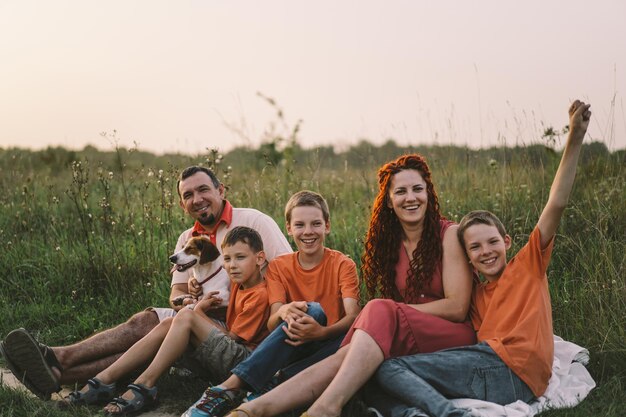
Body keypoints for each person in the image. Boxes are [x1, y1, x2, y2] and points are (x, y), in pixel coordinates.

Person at [372, 100, 592, 417]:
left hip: (509, 368)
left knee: (389, 371)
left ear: (507, 242)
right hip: (486, 373)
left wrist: (575, 136)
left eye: (492, 242)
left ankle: (449, 414)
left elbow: (556, 203)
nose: (485, 251)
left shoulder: (528, 266)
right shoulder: (474, 296)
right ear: (468, 258)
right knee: (375, 378)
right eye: (475, 248)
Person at [216, 153, 476, 417]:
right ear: (389, 200)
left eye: (418, 189)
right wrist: (392, 313)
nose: (411, 197)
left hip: (452, 332)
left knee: (375, 312)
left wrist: (394, 311)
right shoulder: (390, 245)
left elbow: (457, 307)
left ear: (428, 193)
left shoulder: (449, 234)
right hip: (408, 331)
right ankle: (253, 410)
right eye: (401, 191)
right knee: (349, 353)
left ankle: (324, 407)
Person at [0, 166, 292, 400]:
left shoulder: (253, 221)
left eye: (204, 189)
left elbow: (284, 273)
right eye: (188, 194)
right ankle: (58, 366)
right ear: (182, 203)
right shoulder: (187, 239)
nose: (197, 199)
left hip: (238, 326)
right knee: (145, 322)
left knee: (160, 331)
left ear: (220, 190)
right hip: (199, 315)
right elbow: (176, 292)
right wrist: (188, 299)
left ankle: (59, 364)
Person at [182, 190, 361, 417]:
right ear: (288, 228)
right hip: (292, 343)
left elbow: (353, 316)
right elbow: (272, 320)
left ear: (327, 226)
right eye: (299, 225)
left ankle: (254, 385)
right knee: (306, 309)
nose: (308, 232)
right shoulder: (279, 266)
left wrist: (321, 333)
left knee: (323, 317)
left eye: (315, 224)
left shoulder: (343, 264)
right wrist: (284, 309)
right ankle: (227, 389)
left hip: (328, 346)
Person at [60, 226, 270, 415]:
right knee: (170, 322)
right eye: (227, 259)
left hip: (244, 363)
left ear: (259, 259)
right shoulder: (239, 284)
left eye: (240, 258)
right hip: (226, 355)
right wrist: (195, 291)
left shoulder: (258, 294)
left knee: (187, 314)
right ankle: (104, 379)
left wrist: (198, 312)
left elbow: (233, 339)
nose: (231, 266)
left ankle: (145, 383)